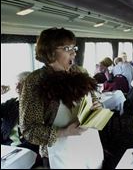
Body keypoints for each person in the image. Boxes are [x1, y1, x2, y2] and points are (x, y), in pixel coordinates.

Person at [19, 27, 104, 168]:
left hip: (89, 143)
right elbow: (28, 130)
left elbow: (94, 98)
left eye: (74, 47)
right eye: (66, 48)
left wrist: (97, 107)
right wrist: (65, 132)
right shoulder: (34, 81)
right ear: (50, 52)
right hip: (59, 152)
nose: (73, 52)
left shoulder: (79, 72)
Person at [1, 71, 39, 151]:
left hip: (27, 150)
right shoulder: (11, 103)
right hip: (7, 148)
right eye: (16, 83)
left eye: (21, 83)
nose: (17, 87)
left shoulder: (38, 106)